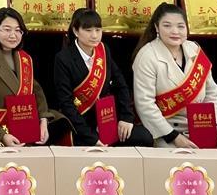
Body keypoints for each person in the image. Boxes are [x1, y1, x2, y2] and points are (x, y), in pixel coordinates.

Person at [132, 3, 217, 149]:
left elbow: (211, 93)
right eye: (167, 26)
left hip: (201, 125)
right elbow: (145, 104)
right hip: (166, 130)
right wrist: (175, 137)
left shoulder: (194, 49)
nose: (175, 31)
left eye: (180, 26)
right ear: (156, 27)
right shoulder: (147, 56)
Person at [0, 8, 69, 146]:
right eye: (7, 29)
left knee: (63, 124)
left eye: (18, 30)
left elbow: (36, 92)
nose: (13, 35)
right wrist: (1, 136)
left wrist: (43, 120)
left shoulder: (23, 58)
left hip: (24, 126)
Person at [51, 9, 154, 147]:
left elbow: (121, 85)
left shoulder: (103, 50)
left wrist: (126, 117)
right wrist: (92, 138)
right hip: (79, 125)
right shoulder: (63, 58)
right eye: (88, 30)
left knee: (144, 137)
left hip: (106, 120)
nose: (94, 35)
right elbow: (66, 103)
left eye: (98, 30)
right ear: (76, 31)